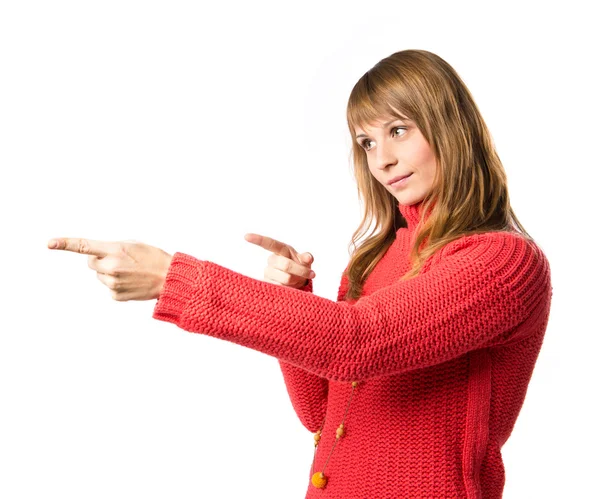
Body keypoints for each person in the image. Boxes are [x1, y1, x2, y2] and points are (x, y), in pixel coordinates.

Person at [47, 49, 553, 498]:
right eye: (367, 142)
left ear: (449, 127)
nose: (383, 160)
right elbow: (323, 412)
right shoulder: (373, 260)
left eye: (398, 130)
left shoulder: (502, 263)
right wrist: (297, 297)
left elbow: (359, 342)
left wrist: (173, 279)